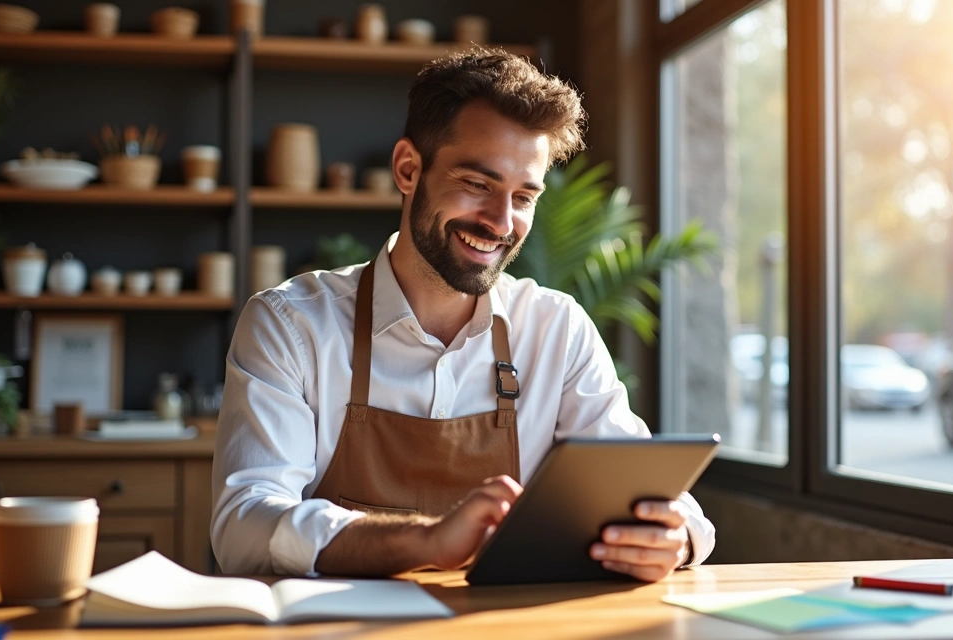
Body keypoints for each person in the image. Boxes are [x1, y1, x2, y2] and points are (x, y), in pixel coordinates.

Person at [212, 48, 715, 582]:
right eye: (478, 184)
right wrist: (426, 539)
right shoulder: (291, 326)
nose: (501, 222)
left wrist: (674, 537)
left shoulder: (556, 329)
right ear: (408, 169)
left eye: (523, 196)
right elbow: (243, 526)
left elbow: (655, 495)